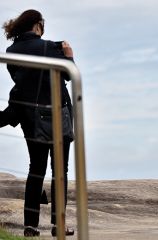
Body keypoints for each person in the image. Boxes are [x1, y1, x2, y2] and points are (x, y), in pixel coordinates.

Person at [2, 9, 74, 237]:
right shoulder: (50, 47)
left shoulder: (11, 51)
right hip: (57, 114)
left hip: (30, 118)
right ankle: (58, 225)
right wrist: (69, 54)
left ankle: (30, 227)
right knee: (59, 172)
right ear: (37, 25)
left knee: (36, 170)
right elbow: (70, 74)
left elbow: (23, 81)